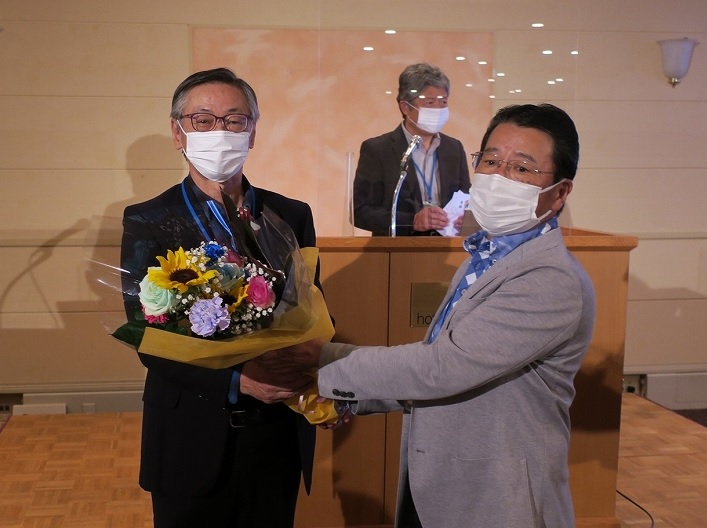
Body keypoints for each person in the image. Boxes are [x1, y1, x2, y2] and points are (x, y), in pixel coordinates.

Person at [259, 104, 596, 527]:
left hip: (498, 498)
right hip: (444, 484)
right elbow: (442, 363)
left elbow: (443, 367)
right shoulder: (484, 257)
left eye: (522, 168)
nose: (498, 177)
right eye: (491, 161)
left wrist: (321, 360)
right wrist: (349, 397)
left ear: (560, 193)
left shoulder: (549, 278)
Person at [120, 67, 321, 528]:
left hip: (275, 432)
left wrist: (321, 379)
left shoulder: (291, 215)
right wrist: (237, 381)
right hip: (189, 433)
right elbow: (145, 333)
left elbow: (312, 310)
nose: (220, 131)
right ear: (178, 133)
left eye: (235, 120)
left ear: (252, 133)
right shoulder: (148, 219)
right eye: (203, 120)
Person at [352, 63, 470, 236]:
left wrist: (466, 218)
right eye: (430, 103)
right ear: (405, 107)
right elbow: (360, 212)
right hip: (399, 248)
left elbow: (466, 199)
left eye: (443, 102)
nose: (438, 109)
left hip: (447, 246)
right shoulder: (378, 150)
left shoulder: (454, 149)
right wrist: (412, 221)